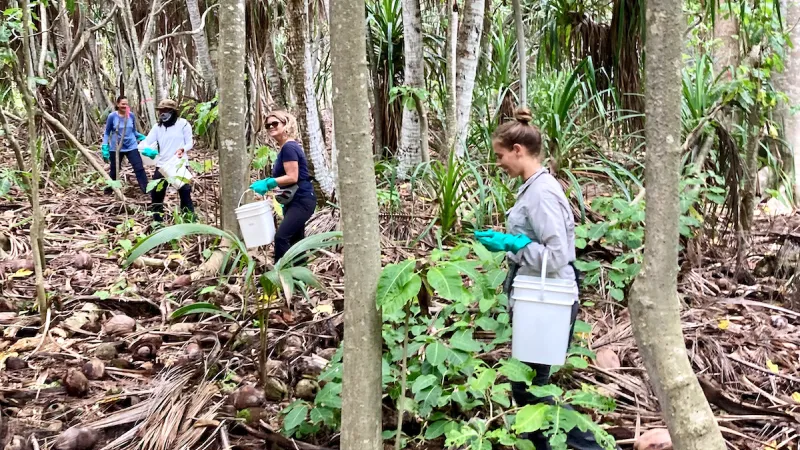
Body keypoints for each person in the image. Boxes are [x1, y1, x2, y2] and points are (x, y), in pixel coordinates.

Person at [474, 108, 614, 450]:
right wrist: (512, 243)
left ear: (518, 151)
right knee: (530, 387)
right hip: (540, 297)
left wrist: (515, 245)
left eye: (500, 155)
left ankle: (591, 447)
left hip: (550, 297)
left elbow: (557, 256)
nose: (499, 163)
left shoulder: (542, 193)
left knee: (532, 390)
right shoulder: (533, 187)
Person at [250, 110, 316, 264]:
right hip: (294, 200)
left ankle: (280, 275)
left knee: (281, 237)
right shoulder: (285, 148)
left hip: (301, 199)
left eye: (275, 123)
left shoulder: (289, 148)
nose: (271, 127)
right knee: (296, 240)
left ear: (286, 124)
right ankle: (299, 280)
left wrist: (269, 183)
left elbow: (292, 176)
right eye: (268, 125)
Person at [137, 99, 195, 223]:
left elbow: (190, 142)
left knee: (184, 192)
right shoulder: (157, 127)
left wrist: (182, 149)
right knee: (156, 194)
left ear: (173, 112)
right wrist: (145, 149)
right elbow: (146, 141)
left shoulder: (183, 124)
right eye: (161, 111)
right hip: (163, 165)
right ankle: (157, 221)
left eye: (166, 111)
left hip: (179, 163)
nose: (162, 114)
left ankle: (189, 221)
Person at [101, 95, 148, 194]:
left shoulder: (131, 115)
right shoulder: (112, 116)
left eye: (126, 104)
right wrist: (105, 145)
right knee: (114, 170)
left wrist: (143, 137)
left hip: (131, 146)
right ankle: (110, 190)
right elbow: (107, 132)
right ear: (117, 104)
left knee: (139, 167)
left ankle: (146, 190)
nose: (125, 106)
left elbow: (134, 131)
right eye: (123, 104)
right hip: (116, 147)